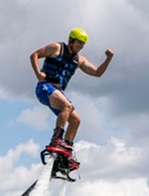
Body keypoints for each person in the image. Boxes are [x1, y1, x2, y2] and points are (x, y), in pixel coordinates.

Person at [30, 28, 114, 164]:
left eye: (82, 44)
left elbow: (97, 73)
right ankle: (56, 140)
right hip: (45, 87)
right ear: (71, 40)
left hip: (58, 92)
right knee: (67, 106)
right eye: (78, 43)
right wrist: (38, 73)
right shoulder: (56, 48)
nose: (80, 46)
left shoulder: (79, 60)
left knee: (76, 121)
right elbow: (34, 55)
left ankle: (65, 153)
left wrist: (108, 59)